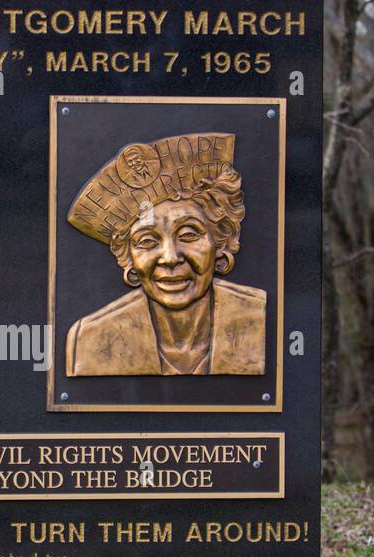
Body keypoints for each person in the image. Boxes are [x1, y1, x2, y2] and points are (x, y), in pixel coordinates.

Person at [65, 132, 266, 377]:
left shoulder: (262, 318)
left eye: (189, 234)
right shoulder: (92, 338)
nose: (170, 258)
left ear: (221, 243)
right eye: (148, 241)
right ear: (128, 260)